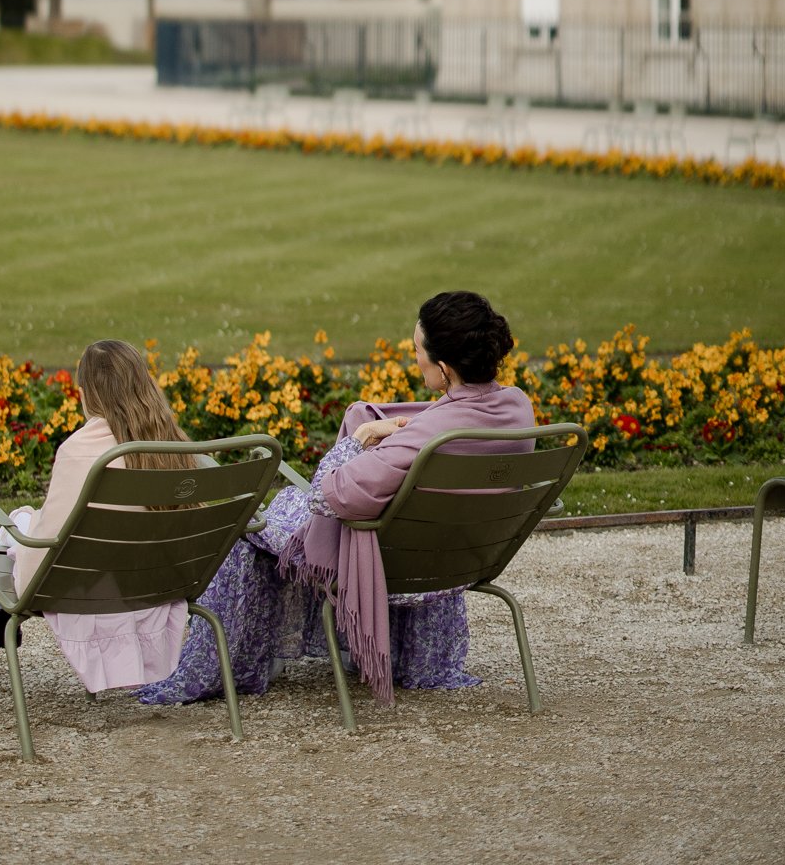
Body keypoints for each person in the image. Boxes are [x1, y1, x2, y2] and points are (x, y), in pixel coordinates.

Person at [140, 289, 534, 710]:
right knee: (285, 512)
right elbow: (453, 414)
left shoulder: (428, 437)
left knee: (257, 529)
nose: (413, 358)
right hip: (459, 558)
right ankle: (338, 646)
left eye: (416, 350)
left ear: (442, 365)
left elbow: (333, 496)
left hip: (392, 567)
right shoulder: (516, 409)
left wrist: (362, 438)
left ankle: (235, 664)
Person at [0, 338, 200, 693]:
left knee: (18, 525)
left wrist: (18, 560)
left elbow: (46, 546)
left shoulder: (80, 451)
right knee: (29, 522)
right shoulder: (174, 444)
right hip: (154, 583)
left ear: (88, 393)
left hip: (86, 585)